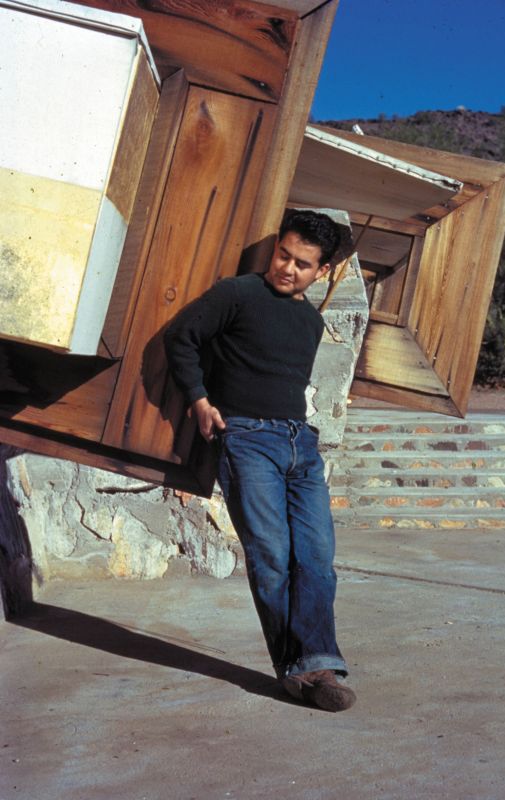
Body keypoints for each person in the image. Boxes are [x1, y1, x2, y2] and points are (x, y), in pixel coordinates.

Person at [164, 210, 356, 712]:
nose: (288, 268)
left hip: (300, 444)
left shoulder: (311, 321)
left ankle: (311, 661)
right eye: (283, 254)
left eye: (303, 264)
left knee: (316, 557)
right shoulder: (237, 294)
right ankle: (307, 671)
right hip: (246, 438)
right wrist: (199, 399)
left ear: (323, 272)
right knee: (271, 555)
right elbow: (180, 338)